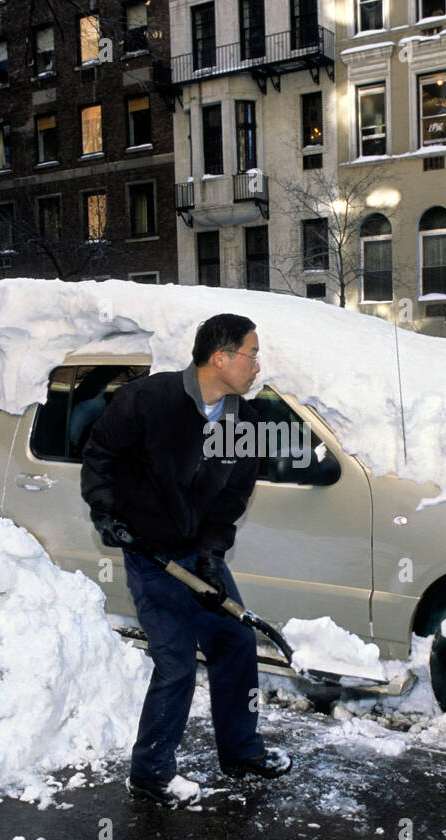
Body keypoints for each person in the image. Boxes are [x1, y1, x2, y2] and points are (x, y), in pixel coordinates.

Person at [81, 313, 292, 808]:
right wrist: (105, 511)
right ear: (220, 357)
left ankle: (240, 752)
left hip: (196, 554)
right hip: (149, 554)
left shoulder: (244, 420)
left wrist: (213, 553)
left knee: (236, 642)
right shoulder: (147, 401)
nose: (257, 365)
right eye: (252, 353)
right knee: (175, 662)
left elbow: (232, 497)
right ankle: (150, 773)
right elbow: (101, 455)